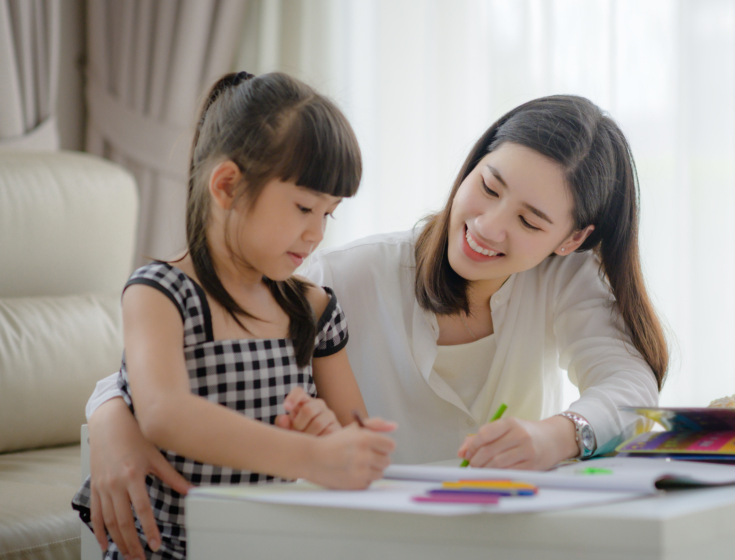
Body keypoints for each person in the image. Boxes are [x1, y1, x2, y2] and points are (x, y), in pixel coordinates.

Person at [83, 94, 669, 555]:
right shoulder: (346, 275)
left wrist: (553, 436)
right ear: (471, 167)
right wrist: (110, 414)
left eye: (529, 221)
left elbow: (630, 388)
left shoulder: (561, 279)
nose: (489, 226)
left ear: (570, 240)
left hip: (499, 539)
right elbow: (177, 349)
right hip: (371, 539)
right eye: (488, 187)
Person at [72, 71, 396, 560]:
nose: (316, 234)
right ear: (226, 186)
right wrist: (309, 454)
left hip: (279, 545)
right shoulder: (161, 293)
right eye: (304, 207)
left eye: (327, 214)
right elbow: (165, 414)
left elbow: (354, 437)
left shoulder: (313, 308)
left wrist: (329, 436)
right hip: (175, 548)